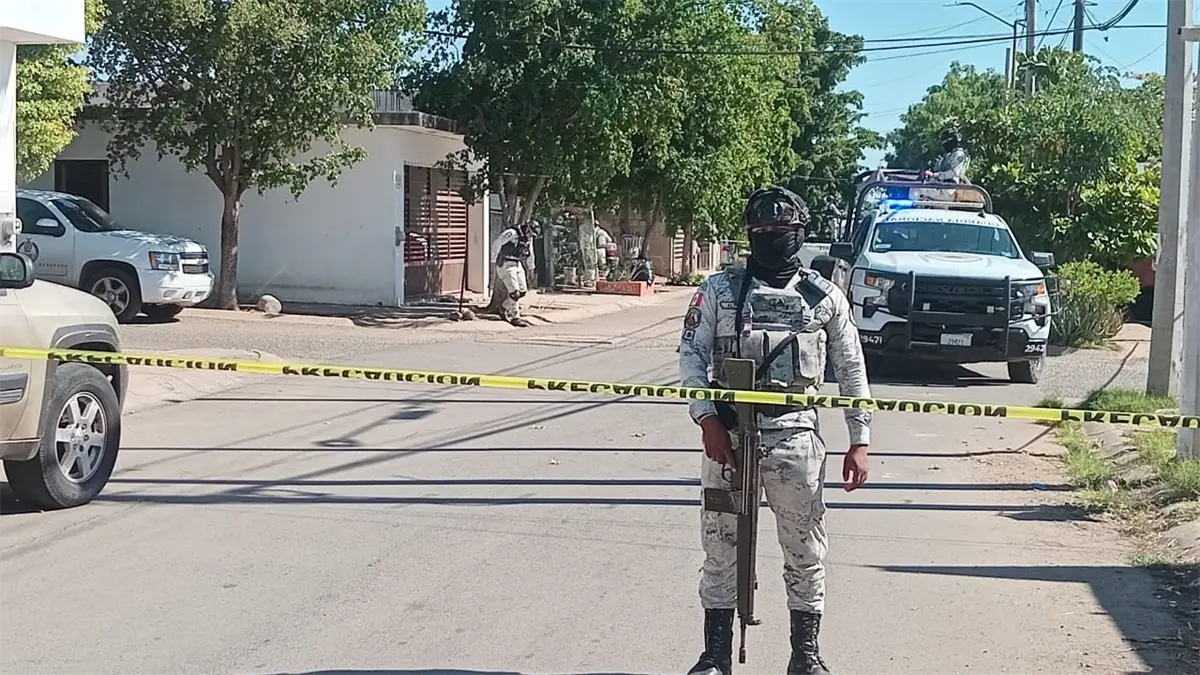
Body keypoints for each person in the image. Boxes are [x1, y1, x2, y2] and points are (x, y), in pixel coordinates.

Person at [678, 186, 872, 675]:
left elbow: (852, 368)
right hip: (729, 440)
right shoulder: (719, 290)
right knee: (720, 548)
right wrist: (707, 419)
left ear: (799, 234)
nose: (770, 237)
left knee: (805, 551)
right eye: (761, 230)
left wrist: (859, 439)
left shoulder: (824, 298)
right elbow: (692, 356)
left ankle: (805, 656)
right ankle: (715, 656)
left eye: (780, 230)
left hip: (795, 438)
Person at [491, 221, 535, 327]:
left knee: (522, 291)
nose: (531, 236)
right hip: (506, 263)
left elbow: (530, 253)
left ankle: (504, 307)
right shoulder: (511, 233)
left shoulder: (528, 239)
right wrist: (493, 260)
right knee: (514, 292)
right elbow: (497, 243)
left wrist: (531, 268)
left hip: (517, 263)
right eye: (531, 233)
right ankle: (515, 317)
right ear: (527, 229)